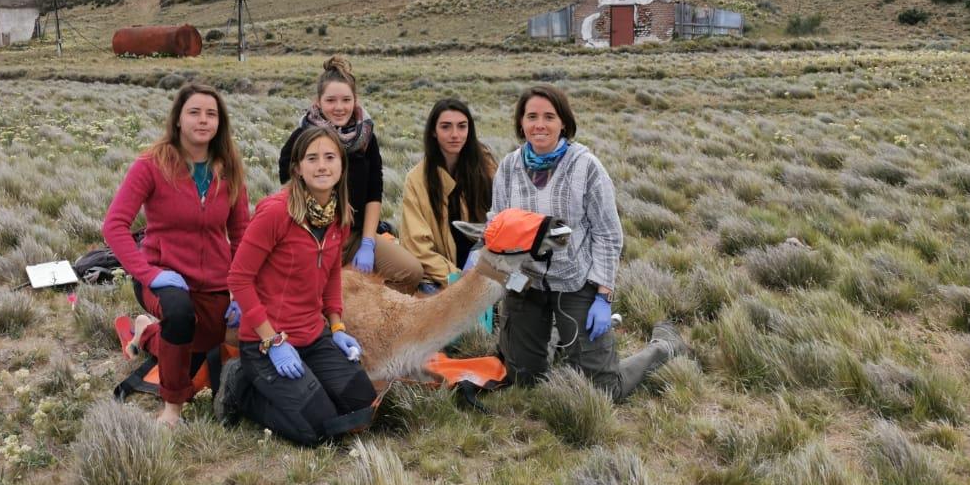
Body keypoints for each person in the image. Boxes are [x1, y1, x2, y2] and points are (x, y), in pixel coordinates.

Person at [489, 84, 687, 399]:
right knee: (525, 382)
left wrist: (603, 298)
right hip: (525, 283)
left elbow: (608, 234)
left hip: (576, 282)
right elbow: (497, 223)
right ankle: (556, 336)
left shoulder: (586, 166)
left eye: (549, 117)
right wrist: (494, 265)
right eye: (532, 117)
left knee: (605, 390)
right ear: (521, 123)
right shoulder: (509, 168)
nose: (540, 125)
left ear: (563, 122)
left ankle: (665, 346)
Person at [101, 82, 249, 428]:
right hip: (162, 277)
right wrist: (149, 274)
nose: (203, 120)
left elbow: (242, 233)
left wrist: (239, 289)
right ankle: (171, 409)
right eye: (194, 112)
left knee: (208, 341)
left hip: (213, 281)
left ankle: (145, 332)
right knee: (180, 317)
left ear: (220, 122)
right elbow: (114, 226)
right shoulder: (151, 165)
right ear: (179, 119)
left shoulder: (228, 169)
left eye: (211, 114)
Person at [221, 126, 377, 445]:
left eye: (330, 157)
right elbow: (239, 278)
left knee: (362, 406)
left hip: (312, 336)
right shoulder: (276, 213)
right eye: (312, 158)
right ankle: (241, 387)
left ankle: (307, 385)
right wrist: (273, 341)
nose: (322, 166)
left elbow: (332, 274)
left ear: (342, 165)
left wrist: (337, 327)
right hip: (265, 343)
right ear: (297, 168)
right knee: (319, 431)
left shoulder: (339, 216)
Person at [278, 55, 423, 295]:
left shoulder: (366, 138)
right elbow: (288, 194)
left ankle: (363, 308)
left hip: (356, 236)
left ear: (355, 100)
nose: (339, 107)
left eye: (346, 100)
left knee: (410, 272)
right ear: (318, 102)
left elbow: (374, 191)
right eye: (331, 100)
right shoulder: (300, 139)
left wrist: (367, 242)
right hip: (314, 238)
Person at [400, 97, 496, 293]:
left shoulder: (485, 167)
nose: (455, 135)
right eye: (446, 127)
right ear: (433, 131)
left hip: (482, 269)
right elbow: (417, 247)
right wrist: (455, 278)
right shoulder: (416, 180)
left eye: (462, 126)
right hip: (438, 275)